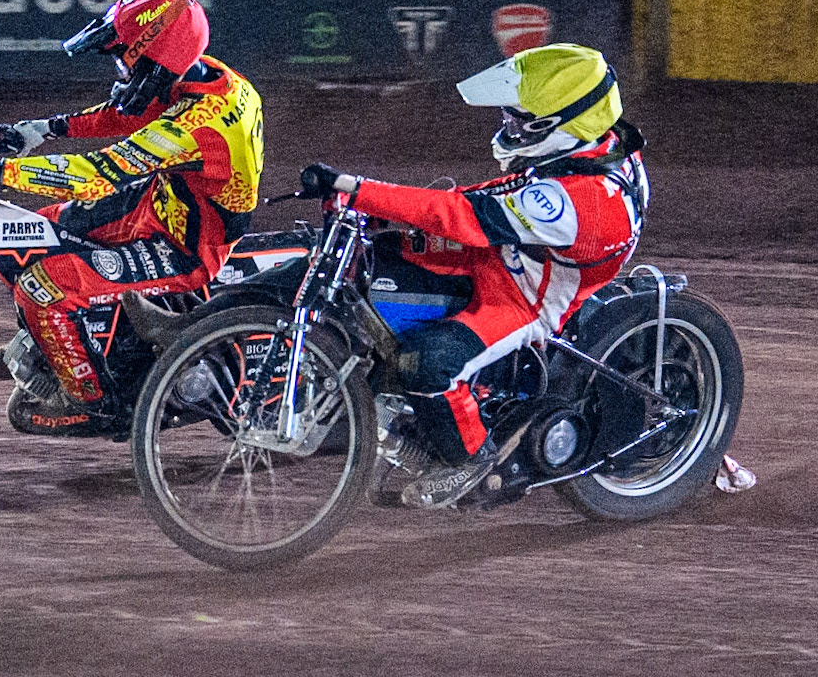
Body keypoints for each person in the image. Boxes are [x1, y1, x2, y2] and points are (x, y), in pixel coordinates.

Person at [301, 43, 754, 507]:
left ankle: (470, 461)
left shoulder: (576, 202)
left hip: (527, 300)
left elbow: (465, 213)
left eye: (522, 120)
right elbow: (499, 192)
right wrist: (391, 212)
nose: (509, 127)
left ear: (561, 126)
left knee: (427, 363)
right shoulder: (597, 143)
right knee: (381, 259)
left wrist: (356, 189)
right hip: (523, 256)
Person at [0, 0, 264, 437]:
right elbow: (128, 115)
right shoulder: (205, 77)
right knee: (35, 233)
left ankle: (90, 401)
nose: (119, 69)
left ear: (157, 55)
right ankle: (70, 343)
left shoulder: (199, 125)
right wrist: (44, 128)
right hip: (159, 205)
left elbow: (96, 174)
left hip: (185, 247)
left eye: (124, 57)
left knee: (40, 288)